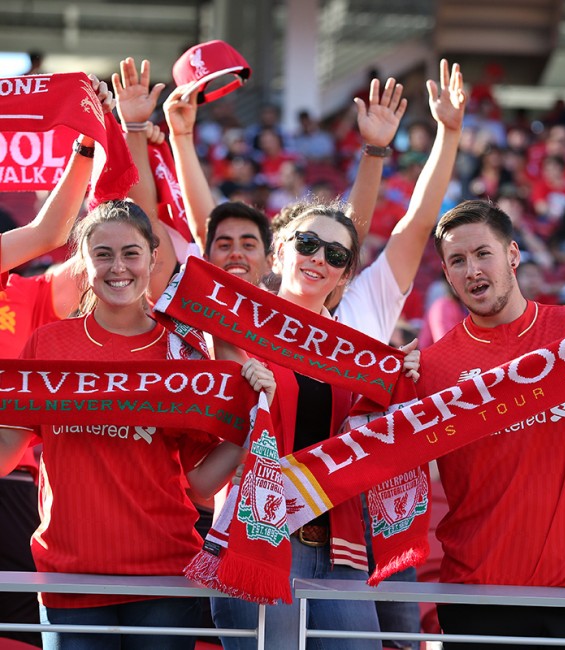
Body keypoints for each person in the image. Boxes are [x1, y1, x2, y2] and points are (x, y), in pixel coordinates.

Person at [0, 199, 272, 650]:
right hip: (72, 581)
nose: (117, 267)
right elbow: (6, 454)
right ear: (83, 264)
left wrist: (253, 422)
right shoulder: (48, 345)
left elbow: (201, 483)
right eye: (102, 254)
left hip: (163, 580)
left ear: (152, 258)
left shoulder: (183, 354)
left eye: (130, 252)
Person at [417, 199, 565, 649]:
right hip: (479, 600)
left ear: (513, 255)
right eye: (457, 261)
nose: (472, 270)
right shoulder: (431, 368)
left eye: (483, 253)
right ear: (446, 274)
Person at [210, 200, 420, 650]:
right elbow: (222, 443)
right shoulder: (236, 328)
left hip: (342, 545)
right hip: (263, 536)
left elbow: (380, 439)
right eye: (308, 244)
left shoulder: (360, 355)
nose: (319, 259)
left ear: (344, 277)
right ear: (279, 252)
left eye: (336, 255)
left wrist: (409, 378)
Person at [0, 73, 114, 648]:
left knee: (17, 625)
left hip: (14, 476)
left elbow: (51, 231)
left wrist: (89, 145)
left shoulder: (26, 293)